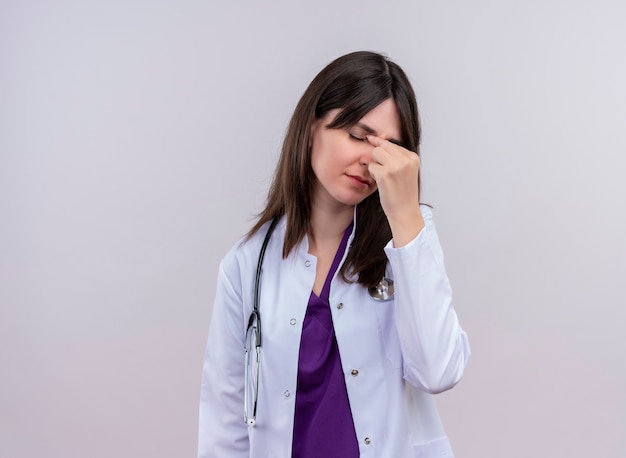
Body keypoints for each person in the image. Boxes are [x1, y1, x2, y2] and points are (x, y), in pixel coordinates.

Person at [198, 51, 470, 458]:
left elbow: (439, 371)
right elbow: (225, 424)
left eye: (390, 147)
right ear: (312, 128)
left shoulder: (408, 241)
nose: (370, 159)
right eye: (359, 135)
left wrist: (406, 218)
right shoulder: (246, 264)